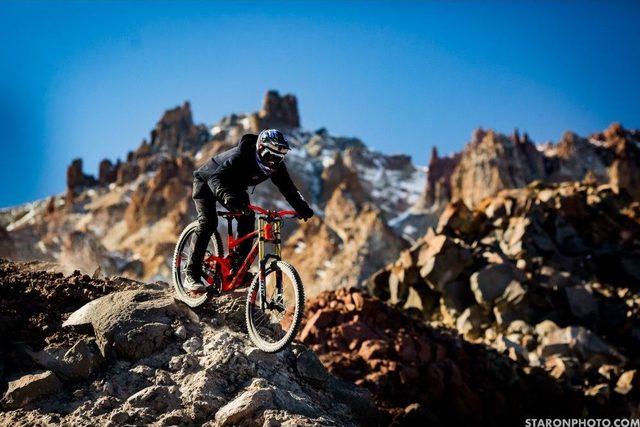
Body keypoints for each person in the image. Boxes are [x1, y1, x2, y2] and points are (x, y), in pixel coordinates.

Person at [184, 129, 314, 292]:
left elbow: (289, 189)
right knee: (208, 223)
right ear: (259, 148)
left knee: (248, 217)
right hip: (207, 181)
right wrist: (227, 197)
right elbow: (215, 179)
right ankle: (191, 274)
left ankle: (237, 268)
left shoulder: (276, 167)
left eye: (278, 158)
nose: (272, 162)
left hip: (235, 187)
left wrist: (302, 208)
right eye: (269, 156)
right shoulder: (242, 155)